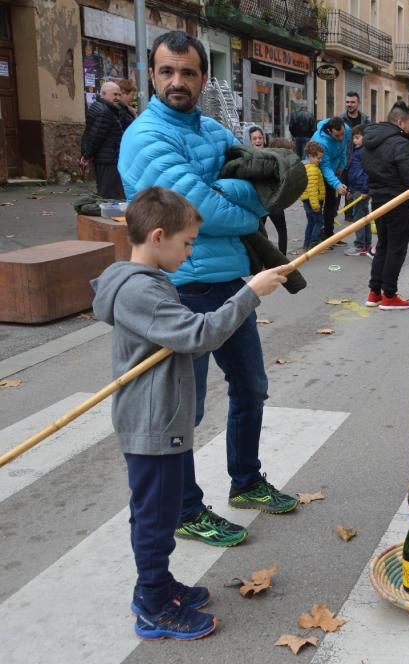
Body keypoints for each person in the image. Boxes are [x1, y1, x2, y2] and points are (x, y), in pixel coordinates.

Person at [119, 31, 300, 549]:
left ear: (203, 77)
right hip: (178, 290)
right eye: (167, 71)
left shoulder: (213, 128)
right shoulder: (144, 137)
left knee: (251, 387)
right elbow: (200, 209)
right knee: (185, 411)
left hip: (228, 282)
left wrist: (235, 196)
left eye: (188, 72)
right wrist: (246, 201)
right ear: (152, 75)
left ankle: (245, 482)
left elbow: (267, 180)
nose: (178, 81)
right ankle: (184, 510)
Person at [91, 187, 289, 639]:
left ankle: (158, 584)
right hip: (152, 424)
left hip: (165, 419)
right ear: (158, 237)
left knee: (157, 512)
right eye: (187, 243)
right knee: (156, 518)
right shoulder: (140, 291)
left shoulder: (147, 280)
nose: (191, 250)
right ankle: (154, 604)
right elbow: (199, 335)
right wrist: (250, 293)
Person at [362, 103, 409, 310]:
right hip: (398, 201)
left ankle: (374, 293)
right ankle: (389, 295)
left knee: (383, 245)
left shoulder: (370, 140)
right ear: (399, 122)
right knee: (396, 248)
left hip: (379, 200)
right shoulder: (399, 143)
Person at [245, 126, 289, 255]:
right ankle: (266, 259)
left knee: (282, 230)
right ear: (250, 141)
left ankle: (283, 259)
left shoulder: (272, 155)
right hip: (259, 201)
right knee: (261, 233)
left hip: (274, 200)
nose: (258, 140)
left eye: (260, 138)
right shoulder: (247, 158)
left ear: (264, 139)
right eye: (254, 138)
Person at [81, 81, 127, 199]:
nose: (117, 98)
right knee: (109, 194)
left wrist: (86, 154)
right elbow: (96, 136)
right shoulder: (105, 112)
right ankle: (108, 216)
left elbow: (91, 134)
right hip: (108, 159)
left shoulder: (100, 107)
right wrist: (86, 155)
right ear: (103, 94)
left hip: (106, 158)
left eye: (119, 94)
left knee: (107, 192)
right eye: (114, 94)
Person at [310, 116, 351, 242]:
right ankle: (315, 237)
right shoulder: (321, 142)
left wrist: (342, 166)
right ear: (329, 131)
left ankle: (328, 233)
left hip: (335, 168)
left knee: (333, 204)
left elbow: (344, 148)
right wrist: (337, 184)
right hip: (320, 172)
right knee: (320, 203)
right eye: (337, 136)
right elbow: (325, 168)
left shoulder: (346, 130)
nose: (340, 138)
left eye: (342, 134)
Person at [343, 126, 372, 257]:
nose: (354, 140)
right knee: (364, 217)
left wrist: (365, 190)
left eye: (357, 138)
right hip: (357, 188)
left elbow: (366, 173)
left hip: (361, 189)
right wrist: (350, 189)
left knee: (359, 218)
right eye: (353, 138)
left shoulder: (363, 153)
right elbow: (353, 171)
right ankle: (366, 244)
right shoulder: (358, 151)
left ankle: (360, 245)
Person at [300, 140, 326, 250]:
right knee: (319, 222)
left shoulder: (308, 168)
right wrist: (315, 205)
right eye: (318, 158)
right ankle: (313, 243)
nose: (320, 161)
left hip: (308, 200)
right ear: (310, 156)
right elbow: (312, 189)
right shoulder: (312, 170)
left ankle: (306, 244)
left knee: (311, 222)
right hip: (313, 201)